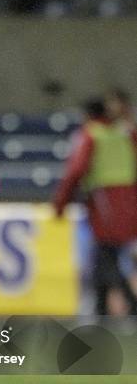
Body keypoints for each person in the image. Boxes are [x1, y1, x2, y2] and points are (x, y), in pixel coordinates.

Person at [53, 97, 137, 316]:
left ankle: (131, 306)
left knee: (106, 253)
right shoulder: (125, 133)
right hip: (129, 199)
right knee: (106, 254)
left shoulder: (90, 135)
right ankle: (101, 310)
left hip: (104, 199)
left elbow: (75, 170)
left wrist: (60, 203)